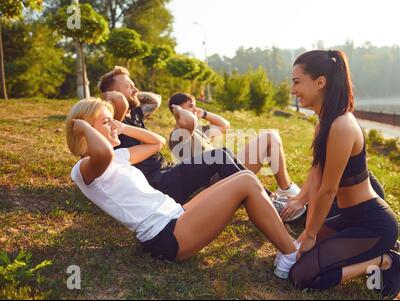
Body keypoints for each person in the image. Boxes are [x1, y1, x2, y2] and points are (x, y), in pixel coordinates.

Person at [65, 97, 299, 279]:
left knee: (244, 176)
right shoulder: (85, 168)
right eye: (107, 122)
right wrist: (83, 127)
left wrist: (122, 128)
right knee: (246, 181)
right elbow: (102, 153)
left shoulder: (118, 157)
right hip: (167, 235)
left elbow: (156, 142)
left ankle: (285, 244)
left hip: (176, 214)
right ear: (86, 129)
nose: (115, 125)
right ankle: (290, 253)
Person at [281, 50, 400, 298]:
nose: (292, 90)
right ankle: (376, 250)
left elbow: (328, 190)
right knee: (300, 259)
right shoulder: (324, 123)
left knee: (301, 277)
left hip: (373, 224)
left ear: (320, 82)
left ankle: (388, 260)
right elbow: (316, 176)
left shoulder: (341, 125)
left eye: (297, 82)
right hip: (349, 218)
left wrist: (310, 235)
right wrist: (305, 230)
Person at [97, 67, 255, 205]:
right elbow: (117, 104)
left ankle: (266, 197)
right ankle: (262, 198)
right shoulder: (115, 120)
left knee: (224, 152)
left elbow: (154, 100)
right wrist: (109, 97)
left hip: (167, 171)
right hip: (157, 183)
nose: (136, 90)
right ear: (114, 95)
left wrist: (130, 92)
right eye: (129, 87)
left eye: (134, 85)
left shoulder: (136, 114)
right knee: (218, 155)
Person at [167, 92, 301, 200]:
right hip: (212, 183)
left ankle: (286, 189)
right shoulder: (178, 136)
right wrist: (178, 111)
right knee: (268, 137)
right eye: (190, 106)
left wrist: (204, 114)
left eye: (195, 105)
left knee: (270, 136)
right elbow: (188, 122)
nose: (195, 109)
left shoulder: (200, 131)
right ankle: (271, 196)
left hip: (227, 170)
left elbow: (224, 125)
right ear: (177, 111)